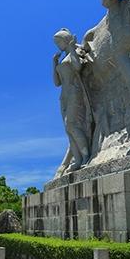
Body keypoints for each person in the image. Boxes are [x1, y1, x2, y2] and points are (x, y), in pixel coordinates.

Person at [52, 28, 92, 173]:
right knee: (68, 130)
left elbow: (77, 66)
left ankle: (86, 156)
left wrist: (71, 49)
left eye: (59, 41)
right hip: (64, 96)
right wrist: (54, 64)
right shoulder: (62, 58)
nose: (58, 45)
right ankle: (78, 158)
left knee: (72, 124)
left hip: (75, 92)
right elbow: (57, 83)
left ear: (65, 39)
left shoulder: (74, 52)